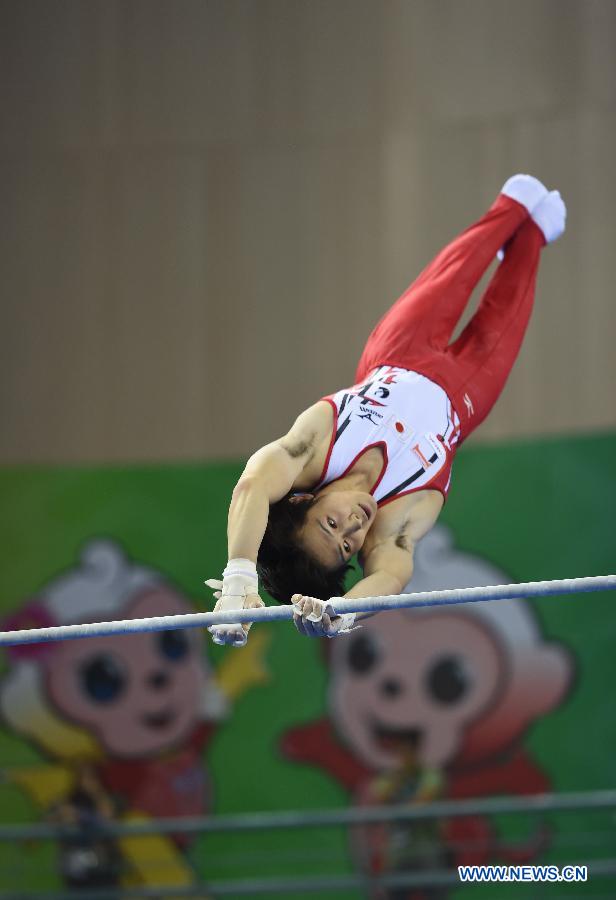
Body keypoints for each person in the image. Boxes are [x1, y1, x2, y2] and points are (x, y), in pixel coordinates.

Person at [205, 175, 566, 646]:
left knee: (455, 271)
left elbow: (253, 484)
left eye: (331, 524)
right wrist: (342, 613)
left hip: (398, 351)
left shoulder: (313, 451)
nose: (353, 527)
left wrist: (239, 578)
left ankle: (511, 209)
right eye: (347, 546)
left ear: (301, 500)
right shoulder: (391, 526)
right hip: (466, 393)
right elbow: (391, 577)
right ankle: (532, 234)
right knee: (510, 301)